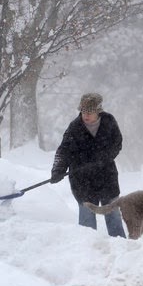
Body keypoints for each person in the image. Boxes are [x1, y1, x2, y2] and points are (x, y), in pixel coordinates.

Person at [51, 93, 126, 238]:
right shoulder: (75, 128)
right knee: (87, 220)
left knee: (112, 212)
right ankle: (88, 249)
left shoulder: (109, 122)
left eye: (89, 112)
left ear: (98, 111)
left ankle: (120, 246)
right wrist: (58, 170)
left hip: (107, 176)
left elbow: (117, 143)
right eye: (83, 111)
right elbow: (63, 151)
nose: (85, 115)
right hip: (82, 179)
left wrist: (104, 157)